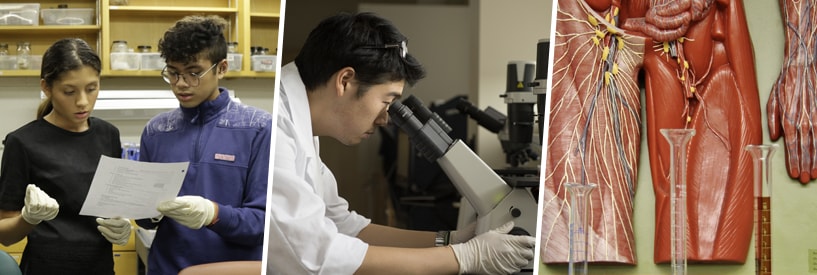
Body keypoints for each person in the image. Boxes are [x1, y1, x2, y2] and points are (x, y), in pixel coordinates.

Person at [268, 12, 535, 274]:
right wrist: (463, 257)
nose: (386, 119)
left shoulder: (301, 125)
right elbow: (314, 254)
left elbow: (342, 224)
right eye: (387, 102)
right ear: (345, 80)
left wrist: (451, 241)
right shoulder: (273, 126)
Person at [135, 15, 272, 274]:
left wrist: (214, 214)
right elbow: (145, 218)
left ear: (221, 68)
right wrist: (138, 212)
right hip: (167, 268)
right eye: (173, 73)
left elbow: (264, 223)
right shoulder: (156, 131)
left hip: (230, 269)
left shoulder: (258, 128)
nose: (181, 84)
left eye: (194, 73)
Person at [0, 38, 132, 275]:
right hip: (46, 268)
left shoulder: (108, 135)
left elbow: (112, 204)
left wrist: (122, 225)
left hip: (100, 268)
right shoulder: (22, 142)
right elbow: (5, 234)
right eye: (69, 91)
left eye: (92, 88)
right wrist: (28, 219)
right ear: (46, 88)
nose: (82, 101)